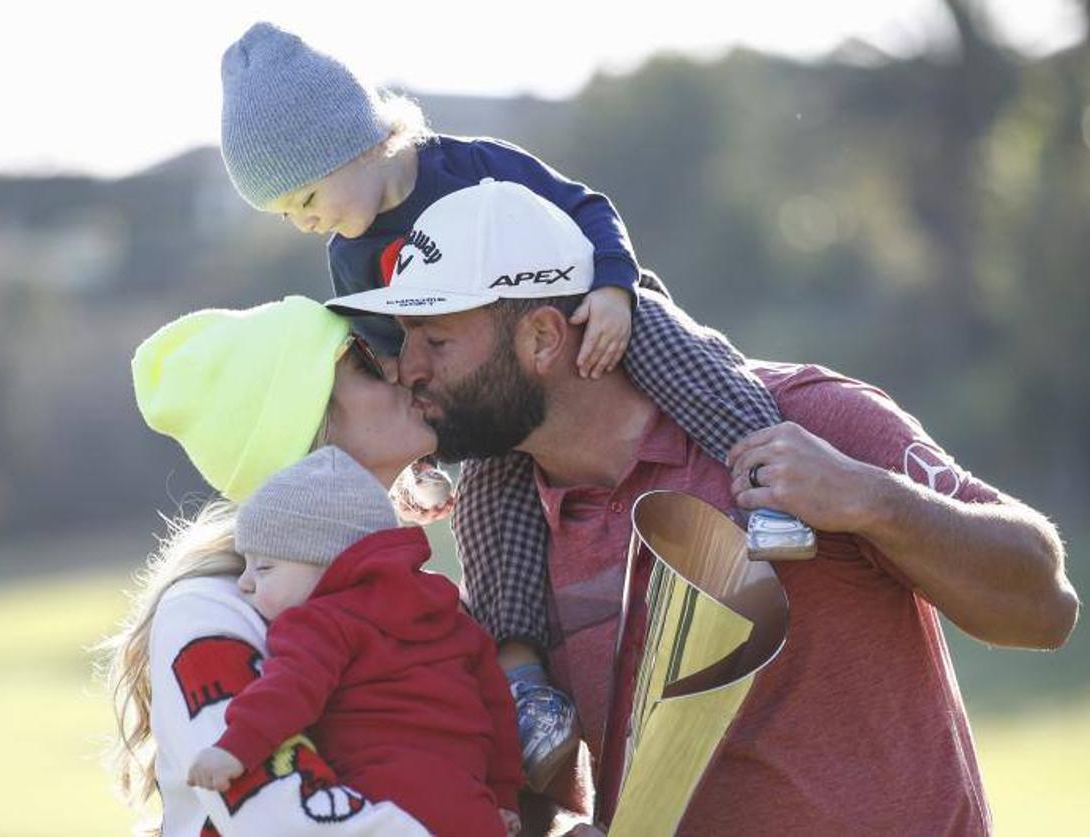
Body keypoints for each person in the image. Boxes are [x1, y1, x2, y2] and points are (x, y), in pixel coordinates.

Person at [327, 180, 1081, 835]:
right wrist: (557, 828)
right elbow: (525, 786)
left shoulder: (807, 419)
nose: (410, 367)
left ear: (543, 337)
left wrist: (870, 498)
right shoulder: (504, 539)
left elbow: (1043, 605)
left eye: (437, 339)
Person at [217, 21, 814, 789]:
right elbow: (398, 362)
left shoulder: (472, 167)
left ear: (353, 145)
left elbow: (585, 205)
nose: (304, 221)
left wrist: (611, 287)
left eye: (305, 196)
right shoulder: (349, 255)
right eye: (286, 214)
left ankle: (775, 484)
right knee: (489, 512)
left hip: (587, 313)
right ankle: (525, 685)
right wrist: (425, 456)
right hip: (492, 390)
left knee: (683, 360)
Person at [101, 296, 499, 836]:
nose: (400, 369)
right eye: (363, 362)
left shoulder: (417, 596)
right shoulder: (210, 608)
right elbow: (283, 819)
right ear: (310, 426)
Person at [184, 445, 525, 837]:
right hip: (471, 809)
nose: (244, 583)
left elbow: (290, 689)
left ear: (331, 562)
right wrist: (502, 798)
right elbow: (498, 710)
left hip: (382, 803)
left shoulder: (320, 622)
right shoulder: (450, 617)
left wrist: (235, 748)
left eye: (264, 567)